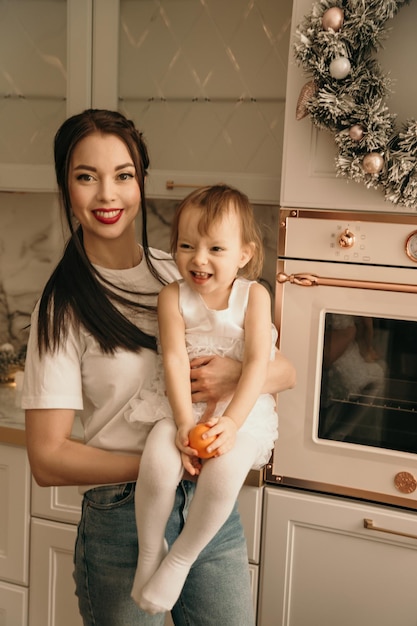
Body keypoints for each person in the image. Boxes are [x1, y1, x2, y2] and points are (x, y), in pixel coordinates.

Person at [22, 109, 296, 626]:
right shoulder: (62, 308)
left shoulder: (185, 268)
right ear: (66, 187)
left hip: (212, 506)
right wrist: (165, 460)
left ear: (141, 181)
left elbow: (283, 371)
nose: (108, 195)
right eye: (86, 177)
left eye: (123, 175)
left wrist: (233, 380)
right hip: (126, 518)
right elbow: (46, 458)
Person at [128, 184, 279, 614]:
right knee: (157, 462)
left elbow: (256, 366)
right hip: (183, 404)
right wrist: (179, 422)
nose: (198, 258)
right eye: (187, 245)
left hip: (241, 411)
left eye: (216, 248)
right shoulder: (172, 296)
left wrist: (230, 423)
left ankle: (180, 560)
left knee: (226, 470)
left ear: (244, 254)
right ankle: (149, 554)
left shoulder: (254, 296)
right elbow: (173, 359)